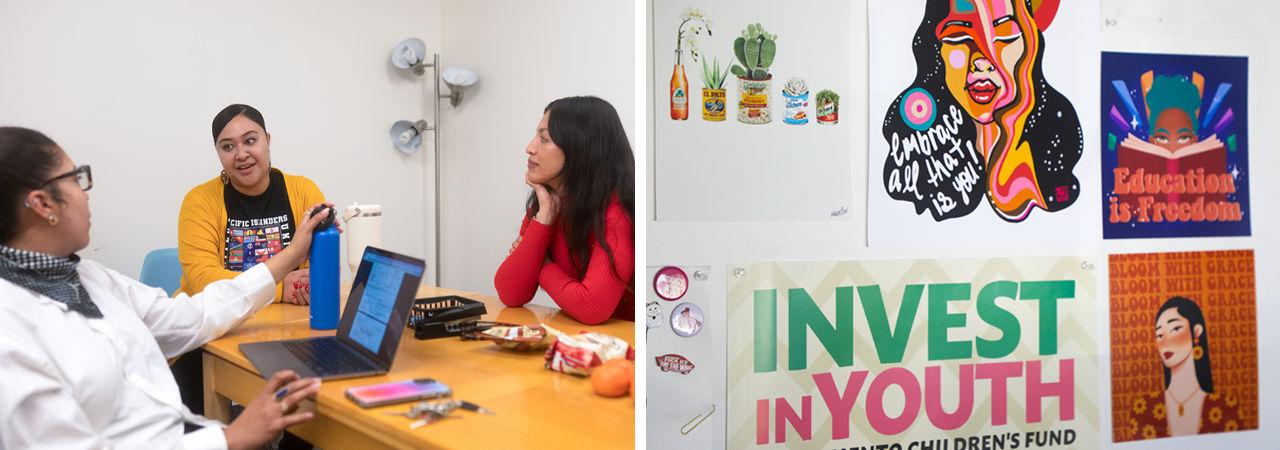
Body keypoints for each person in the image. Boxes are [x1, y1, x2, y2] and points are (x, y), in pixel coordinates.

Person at [0, 126, 330, 449]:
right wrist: (230, 438)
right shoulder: (10, 332)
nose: (85, 192)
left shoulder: (86, 276)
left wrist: (288, 257)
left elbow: (190, 315)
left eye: (251, 141)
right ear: (43, 204)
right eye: (75, 178)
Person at [882, 0, 1082, 222]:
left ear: (1028, 47)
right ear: (937, 51)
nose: (981, 61)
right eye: (958, 38)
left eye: (1005, 36)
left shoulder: (1051, 150)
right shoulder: (919, 147)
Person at [494, 96, 635, 325]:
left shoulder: (616, 211)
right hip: (580, 337)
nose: (529, 148)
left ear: (580, 147)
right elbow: (511, 294)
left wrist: (542, 263)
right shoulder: (547, 205)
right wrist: (542, 222)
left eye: (544, 139)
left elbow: (591, 308)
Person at [177, 103, 327, 306]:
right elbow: (205, 283)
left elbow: (323, 271)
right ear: (218, 153)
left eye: (250, 140)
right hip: (211, 325)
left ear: (267, 140)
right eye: (227, 146)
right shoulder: (199, 202)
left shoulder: (304, 191)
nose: (241, 154)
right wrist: (278, 289)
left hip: (286, 324)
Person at [1127, 296, 1243, 439]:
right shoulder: (1143, 409)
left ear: (1196, 332)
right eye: (1159, 334)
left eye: (1175, 329)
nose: (1165, 341)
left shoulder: (1226, 407)